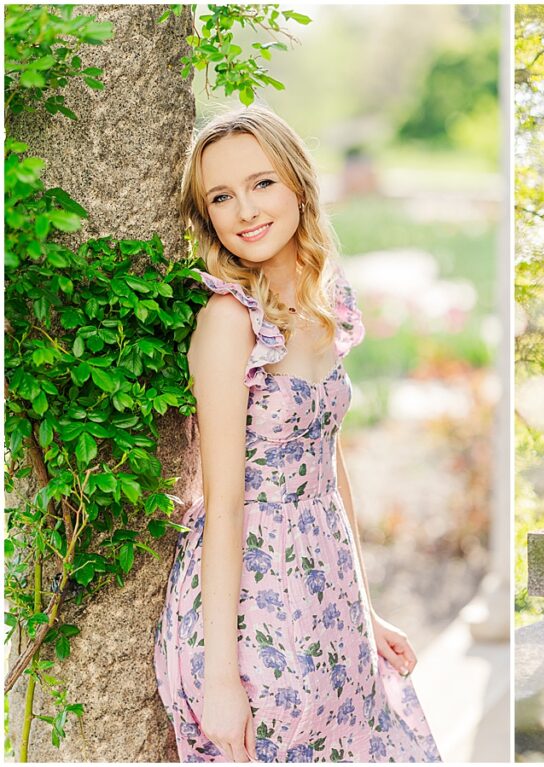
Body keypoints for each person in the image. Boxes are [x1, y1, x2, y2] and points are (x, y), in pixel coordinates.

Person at [153, 106, 441, 763]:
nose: (245, 210)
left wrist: (366, 611)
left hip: (325, 585)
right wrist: (222, 679)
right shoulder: (230, 322)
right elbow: (222, 505)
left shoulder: (326, 304)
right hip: (254, 602)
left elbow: (328, 464)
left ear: (298, 185)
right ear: (208, 217)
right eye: (221, 197)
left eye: (261, 184)